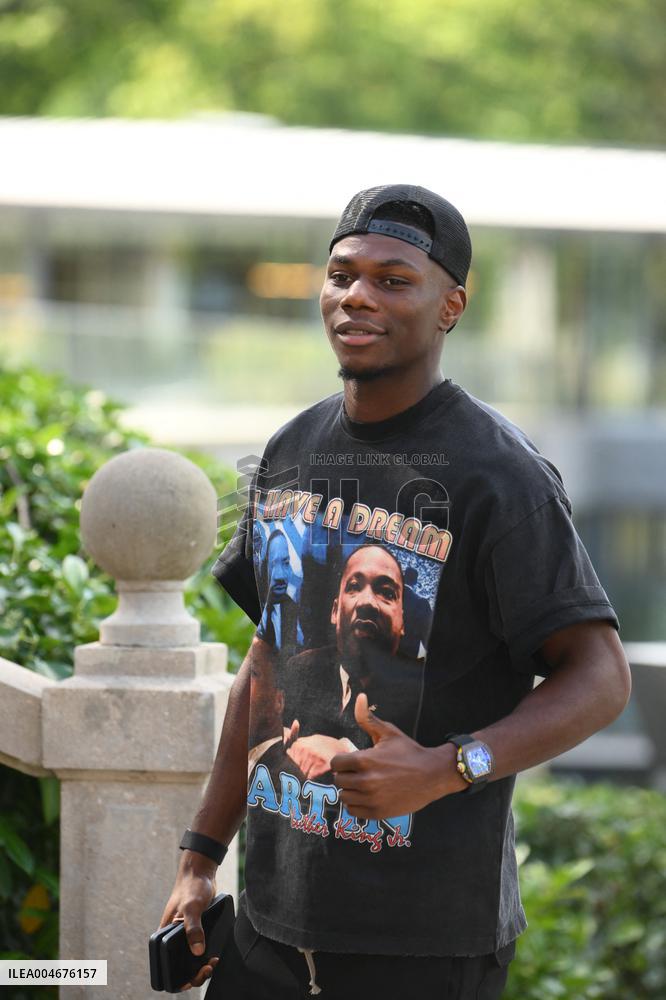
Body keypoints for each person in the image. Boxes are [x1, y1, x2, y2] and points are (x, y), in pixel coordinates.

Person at [159, 184, 631, 999]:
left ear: (450, 306)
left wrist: (452, 766)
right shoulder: (291, 448)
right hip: (268, 932)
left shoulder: (500, 476)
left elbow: (600, 678)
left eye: (393, 279)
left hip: (421, 948)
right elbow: (266, 661)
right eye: (342, 274)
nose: (357, 297)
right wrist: (200, 860)